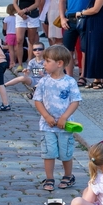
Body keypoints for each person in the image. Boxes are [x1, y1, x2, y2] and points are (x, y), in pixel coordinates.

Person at [33, 44, 81, 191]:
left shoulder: (70, 81)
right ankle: (49, 178)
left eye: (47, 61)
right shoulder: (44, 81)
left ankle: (68, 175)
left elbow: (75, 101)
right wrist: (46, 116)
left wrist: (64, 117)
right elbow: (37, 100)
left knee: (66, 152)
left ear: (59, 63)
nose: (44, 64)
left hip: (65, 125)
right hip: (47, 125)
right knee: (49, 152)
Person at [59, 0, 94, 83]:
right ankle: (69, 76)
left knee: (84, 49)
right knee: (68, 49)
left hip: (85, 18)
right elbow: (62, 1)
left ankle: (82, 75)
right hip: (71, 18)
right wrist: (62, 18)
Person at [12, 0, 43, 70]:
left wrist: (25, 10)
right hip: (20, 15)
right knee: (19, 40)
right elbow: (15, 2)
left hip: (32, 14)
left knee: (31, 40)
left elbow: (37, 3)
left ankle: (30, 63)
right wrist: (20, 12)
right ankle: (20, 63)